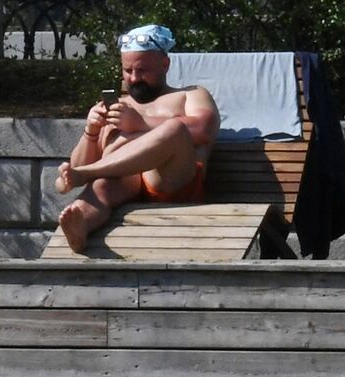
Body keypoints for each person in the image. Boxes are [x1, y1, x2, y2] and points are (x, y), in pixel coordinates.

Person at [55, 24, 221, 253]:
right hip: (124, 184)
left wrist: (141, 124)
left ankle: (91, 175)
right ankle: (80, 224)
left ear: (165, 64)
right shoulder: (114, 107)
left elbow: (204, 129)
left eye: (142, 70)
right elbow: (77, 168)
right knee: (102, 186)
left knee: (175, 128)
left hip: (170, 180)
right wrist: (91, 131)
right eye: (127, 71)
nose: (134, 78)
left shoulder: (189, 94)